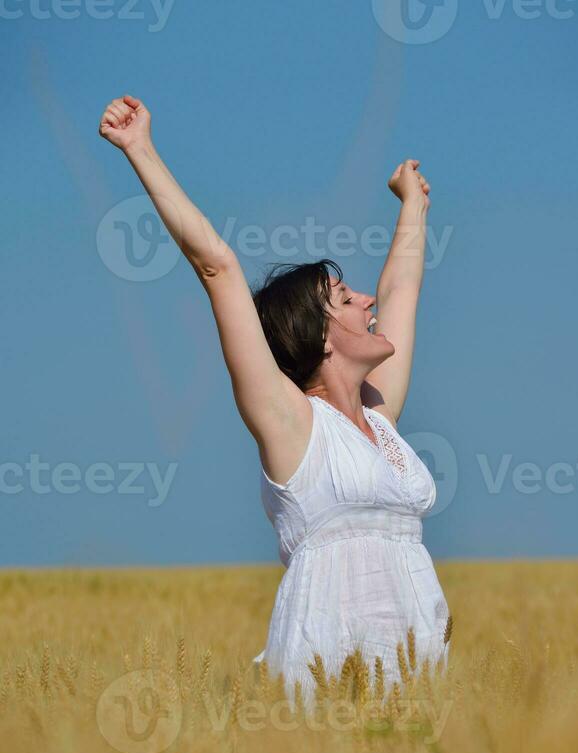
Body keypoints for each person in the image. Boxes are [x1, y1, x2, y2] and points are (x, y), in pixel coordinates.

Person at [98, 94, 451, 701]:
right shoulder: (291, 426)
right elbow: (217, 269)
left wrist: (412, 204)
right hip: (328, 680)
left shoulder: (378, 418)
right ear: (316, 335)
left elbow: (403, 288)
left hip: (417, 678)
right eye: (346, 298)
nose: (367, 300)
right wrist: (140, 148)